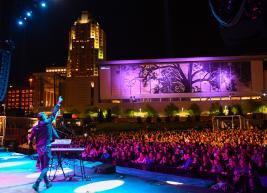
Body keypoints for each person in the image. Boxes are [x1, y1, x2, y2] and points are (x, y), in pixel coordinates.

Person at [29, 96, 63, 192]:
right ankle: (37, 183)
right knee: (45, 168)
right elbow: (54, 113)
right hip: (46, 147)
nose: (46, 115)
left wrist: (31, 144)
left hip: (39, 148)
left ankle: (47, 183)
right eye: (44, 114)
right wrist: (58, 102)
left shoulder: (35, 127)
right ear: (43, 117)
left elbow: (31, 138)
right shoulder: (48, 123)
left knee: (43, 166)